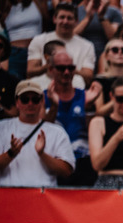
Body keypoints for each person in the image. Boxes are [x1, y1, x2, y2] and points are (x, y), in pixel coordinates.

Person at [0, 80, 74, 186]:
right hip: (9, 196)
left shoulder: (57, 131)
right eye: (25, 99)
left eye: (35, 99)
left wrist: (42, 154)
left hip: (43, 196)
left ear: (42, 101)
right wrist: (10, 154)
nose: (30, 103)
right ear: (17, 102)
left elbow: (67, 170)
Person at [43, 50, 99, 186]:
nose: (67, 72)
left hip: (83, 162)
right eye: (61, 68)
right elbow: (41, 131)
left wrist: (89, 107)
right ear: (51, 69)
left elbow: (93, 131)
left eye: (71, 68)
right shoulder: (43, 97)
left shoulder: (85, 96)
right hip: (56, 162)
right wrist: (54, 107)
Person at [26, 3, 95, 80]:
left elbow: (88, 78)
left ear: (76, 21)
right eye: (62, 17)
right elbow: (30, 72)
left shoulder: (87, 46)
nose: (65, 21)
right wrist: (48, 66)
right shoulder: (39, 40)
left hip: (75, 87)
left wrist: (66, 67)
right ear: (54, 19)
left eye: (69, 18)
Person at [1, 0, 47, 80]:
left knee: (37, 85)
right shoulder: (5, 5)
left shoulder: (38, 2)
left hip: (37, 52)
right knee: (15, 86)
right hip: (15, 54)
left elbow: (46, 22)